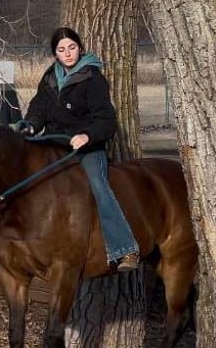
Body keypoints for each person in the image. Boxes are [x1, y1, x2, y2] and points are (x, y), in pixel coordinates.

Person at [15, 27, 140, 271]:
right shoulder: (49, 78)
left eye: (72, 47)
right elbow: (38, 109)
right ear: (55, 55)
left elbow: (106, 120)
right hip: (53, 145)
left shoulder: (92, 78)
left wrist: (87, 135)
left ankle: (125, 250)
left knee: (98, 184)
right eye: (62, 50)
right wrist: (30, 125)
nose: (68, 53)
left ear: (80, 49)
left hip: (86, 150)